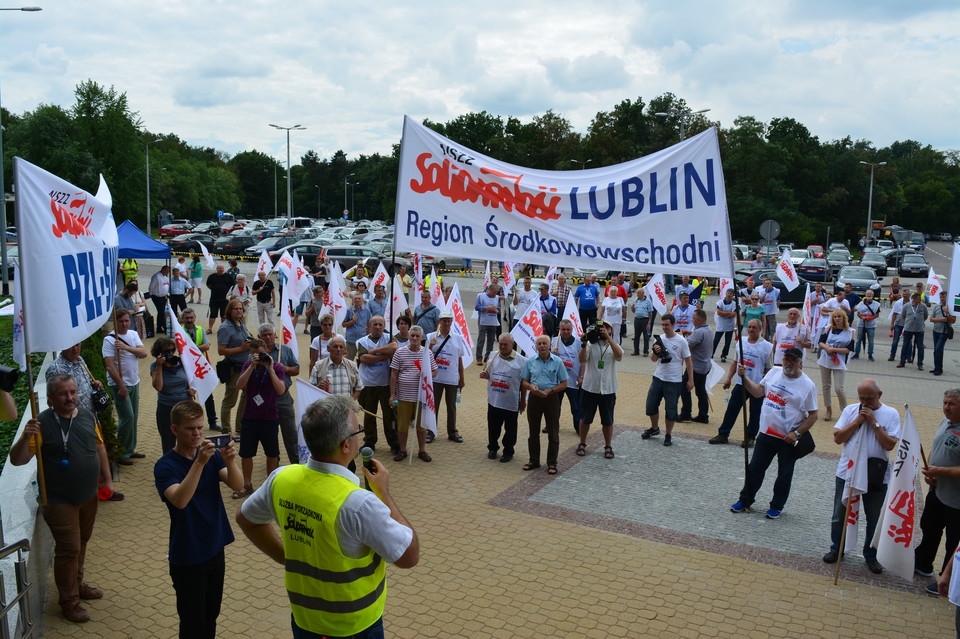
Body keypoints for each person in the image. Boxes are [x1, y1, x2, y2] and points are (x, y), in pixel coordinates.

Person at [236, 395, 419, 639]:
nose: (361, 436)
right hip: (355, 626)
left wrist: (286, 557)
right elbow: (409, 556)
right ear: (346, 445)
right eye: (358, 431)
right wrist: (384, 493)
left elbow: (246, 519)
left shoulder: (281, 478)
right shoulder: (358, 503)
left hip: (304, 620)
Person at [9, 375, 114, 622]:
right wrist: (26, 437)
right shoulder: (41, 423)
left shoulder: (87, 415)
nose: (70, 398)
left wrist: (107, 480)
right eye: (63, 394)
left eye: (73, 392)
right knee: (69, 549)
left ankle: (77, 585)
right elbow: (18, 460)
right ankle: (69, 602)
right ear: (50, 399)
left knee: (82, 542)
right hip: (58, 500)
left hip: (88, 495)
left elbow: (99, 447)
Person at [154, 400, 243, 639]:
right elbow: (180, 500)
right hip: (188, 554)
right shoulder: (165, 466)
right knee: (193, 623)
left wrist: (230, 461)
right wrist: (199, 463)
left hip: (215, 546)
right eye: (190, 429)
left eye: (200, 428)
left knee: (211, 616)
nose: (197, 434)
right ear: (174, 430)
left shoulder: (211, 456)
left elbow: (237, 484)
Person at [821, 379, 900, 575]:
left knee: (873, 517)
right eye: (862, 398)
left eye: (870, 399)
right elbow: (838, 438)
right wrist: (857, 422)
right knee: (839, 514)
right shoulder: (850, 411)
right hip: (848, 472)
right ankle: (837, 549)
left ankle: (871, 555)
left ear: (879, 395)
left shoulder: (891, 414)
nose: (865, 403)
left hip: (876, 475)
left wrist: (874, 422)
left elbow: (889, 445)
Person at [730, 347, 818, 519]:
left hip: (788, 438)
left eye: (793, 360)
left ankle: (777, 505)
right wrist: (744, 377)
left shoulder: (808, 386)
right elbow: (757, 392)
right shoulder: (774, 372)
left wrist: (797, 433)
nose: (789, 363)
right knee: (755, 468)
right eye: (786, 359)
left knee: (784, 473)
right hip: (766, 433)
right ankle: (745, 499)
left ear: (800, 363)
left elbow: (814, 415)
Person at [914, 389, 960, 595]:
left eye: (951, 404)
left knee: (954, 542)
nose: (946, 407)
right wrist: (929, 470)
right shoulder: (945, 423)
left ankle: (948, 580)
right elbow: (937, 445)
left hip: (956, 500)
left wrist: (939, 470)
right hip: (938, 491)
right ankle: (923, 563)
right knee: (930, 527)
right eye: (944, 403)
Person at [233, 338, 286, 499]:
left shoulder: (277, 367)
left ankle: (270, 486)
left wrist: (269, 369)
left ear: (267, 351)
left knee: (272, 453)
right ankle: (247, 485)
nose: (258, 357)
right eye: (254, 355)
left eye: (261, 354)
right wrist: (252, 366)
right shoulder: (247, 366)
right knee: (246, 453)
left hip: (269, 417)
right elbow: (239, 385)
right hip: (250, 416)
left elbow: (281, 390)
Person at [709, 319, 772, 446]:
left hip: (757, 385)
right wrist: (728, 378)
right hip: (740, 383)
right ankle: (723, 433)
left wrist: (767, 387)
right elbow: (735, 362)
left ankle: (750, 437)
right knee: (732, 409)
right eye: (749, 327)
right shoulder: (741, 342)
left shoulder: (767, 347)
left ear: (760, 329)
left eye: (754, 327)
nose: (751, 330)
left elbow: (769, 369)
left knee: (755, 412)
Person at [102, 309, 148, 464]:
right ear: (116, 322)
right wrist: (121, 385)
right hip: (120, 384)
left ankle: (130, 449)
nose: (124, 324)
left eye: (127, 321)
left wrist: (126, 347)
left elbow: (144, 353)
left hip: (134, 381)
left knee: (133, 417)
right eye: (121, 321)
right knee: (126, 417)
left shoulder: (133, 335)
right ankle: (120, 452)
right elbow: (109, 366)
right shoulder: (109, 340)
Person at [641, 314, 693, 447]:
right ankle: (654, 428)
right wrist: (655, 352)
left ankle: (668, 434)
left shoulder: (681, 341)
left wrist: (690, 380)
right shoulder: (659, 339)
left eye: (667, 325)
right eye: (662, 325)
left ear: (673, 325)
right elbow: (653, 360)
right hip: (658, 377)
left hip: (674, 380)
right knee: (651, 405)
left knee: (671, 409)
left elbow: (688, 361)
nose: (664, 327)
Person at [521, 335, 567, 475]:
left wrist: (552, 390)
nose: (542, 346)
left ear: (549, 345)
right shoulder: (530, 361)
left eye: (544, 343)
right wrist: (531, 387)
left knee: (553, 432)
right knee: (533, 432)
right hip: (535, 398)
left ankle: (552, 463)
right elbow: (524, 381)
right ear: (535, 346)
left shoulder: (557, 361)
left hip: (551, 398)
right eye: (539, 343)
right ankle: (534, 460)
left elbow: (564, 383)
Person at [577, 320, 624, 457]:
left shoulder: (614, 345)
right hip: (590, 388)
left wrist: (609, 338)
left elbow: (619, 356)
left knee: (608, 420)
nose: (603, 329)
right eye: (601, 327)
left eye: (607, 327)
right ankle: (582, 443)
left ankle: (608, 446)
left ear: (611, 331)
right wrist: (584, 343)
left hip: (608, 389)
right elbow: (581, 359)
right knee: (585, 419)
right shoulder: (591, 343)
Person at [389, 326, 436, 463]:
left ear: (422, 338)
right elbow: (393, 374)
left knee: (421, 426)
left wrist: (426, 374)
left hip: (421, 397)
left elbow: (434, 372)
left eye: (417, 336)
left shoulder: (427, 353)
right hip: (403, 396)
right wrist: (393, 395)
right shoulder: (400, 352)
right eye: (412, 336)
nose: (415, 338)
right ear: (408, 337)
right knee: (402, 426)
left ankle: (422, 450)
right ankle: (403, 450)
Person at [357, 316, 399, 456]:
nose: (378, 327)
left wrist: (373, 351)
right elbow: (364, 359)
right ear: (369, 326)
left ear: (384, 325)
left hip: (386, 384)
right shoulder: (362, 341)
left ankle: (394, 442)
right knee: (369, 415)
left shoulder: (389, 338)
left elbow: (394, 347)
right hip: (367, 384)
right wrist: (385, 355)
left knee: (390, 415)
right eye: (375, 324)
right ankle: (369, 441)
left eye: (380, 324)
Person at [481, 334, 527, 463]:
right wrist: (484, 374)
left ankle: (508, 451)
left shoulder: (522, 361)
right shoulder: (493, 356)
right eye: (500, 344)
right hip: (494, 400)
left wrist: (523, 401)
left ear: (512, 345)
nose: (502, 347)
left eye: (505, 344)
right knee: (493, 426)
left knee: (510, 429)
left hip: (511, 402)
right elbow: (487, 373)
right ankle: (493, 448)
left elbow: (524, 383)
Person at [260, 323, 301, 465]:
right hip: (265, 400)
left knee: (290, 433)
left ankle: (296, 463)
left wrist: (285, 368)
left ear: (275, 335)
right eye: (265, 335)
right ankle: (273, 462)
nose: (268, 337)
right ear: (260, 337)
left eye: (270, 334)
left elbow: (296, 370)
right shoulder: (256, 354)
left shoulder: (285, 351)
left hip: (283, 399)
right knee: (269, 435)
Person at [427, 311, 466, 444]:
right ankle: (431, 432)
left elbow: (459, 359)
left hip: (452, 378)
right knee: (434, 406)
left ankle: (452, 432)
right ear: (439, 322)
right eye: (444, 320)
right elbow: (425, 357)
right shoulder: (431, 337)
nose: (447, 323)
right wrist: (430, 346)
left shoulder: (458, 338)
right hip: (435, 378)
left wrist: (462, 378)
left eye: (449, 320)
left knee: (451, 406)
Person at [151, 337, 195, 453]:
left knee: (188, 438)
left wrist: (192, 389)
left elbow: (190, 381)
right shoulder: (154, 366)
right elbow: (158, 387)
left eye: (171, 350)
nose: (170, 354)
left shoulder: (182, 362)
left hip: (185, 406)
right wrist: (160, 366)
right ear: (158, 353)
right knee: (168, 441)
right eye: (166, 351)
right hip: (166, 408)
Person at [217, 299, 253, 435]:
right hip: (234, 369)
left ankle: (240, 426)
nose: (239, 311)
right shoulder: (225, 327)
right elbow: (221, 351)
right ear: (229, 311)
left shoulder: (241, 323)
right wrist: (241, 348)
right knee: (230, 401)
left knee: (247, 396)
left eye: (241, 309)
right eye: (236, 309)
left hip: (246, 367)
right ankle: (226, 430)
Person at [181, 308, 220, 431]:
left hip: (201, 367)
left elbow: (207, 346)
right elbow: (181, 349)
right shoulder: (180, 332)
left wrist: (191, 349)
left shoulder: (200, 330)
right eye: (186, 318)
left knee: (208, 395)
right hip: (186, 368)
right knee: (188, 395)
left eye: (191, 318)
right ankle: (189, 422)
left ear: (195, 318)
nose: (189, 320)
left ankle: (212, 422)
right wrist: (198, 349)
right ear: (182, 319)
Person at [818, 309, 854, 422]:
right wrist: (827, 348)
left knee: (839, 388)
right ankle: (828, 409)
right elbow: (820, 342)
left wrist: (834, 349)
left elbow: (849, 349)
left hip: (839, 361)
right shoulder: (828, 328)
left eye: (839, 316)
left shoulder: (850, 331)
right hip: (825, 360)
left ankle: (845, 411)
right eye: (835, 317)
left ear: (844, 318)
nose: (837, 319)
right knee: (826, 386)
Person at [678, 309, 713, 424]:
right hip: (705, 366)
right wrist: (690, 333)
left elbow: (686, 346)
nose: (692, 320)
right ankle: (703, 415)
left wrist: (680, 336)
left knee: (685, 388)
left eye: (693, 318)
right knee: (701, 391)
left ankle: (686, 413)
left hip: (696, 367)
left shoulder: (698, 332)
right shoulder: (708, 329)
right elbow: (696, 339)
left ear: (698, 320)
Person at [551, 319, 582, 434]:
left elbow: (583, 362)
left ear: (572, 330)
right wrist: (551, 355)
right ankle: (552, 425)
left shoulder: (578, 342)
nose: (565, 332)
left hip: (573, 381)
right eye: (563, 329)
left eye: (568, 329)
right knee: (555, 405)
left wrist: (581, 376)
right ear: (560, 330)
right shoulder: (554, 341)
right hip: (557, 381)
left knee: (576, 406)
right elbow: (547, 361)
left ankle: (578, 426)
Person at [309, 336, 363, 400]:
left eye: (341, 347)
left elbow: (359, 387)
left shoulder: (352, 366)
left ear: (345, 350)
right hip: (326, 407)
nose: (338, 349)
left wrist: (350, 403)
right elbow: (310, 389)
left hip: (346, 407)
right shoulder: (318, 366)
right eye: (335, 346)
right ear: (328, 348)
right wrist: (318, 387)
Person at [898, 291, 928, 370]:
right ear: (914, 299)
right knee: (905, 345)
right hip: (908, 329)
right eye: (918, 299)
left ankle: (920, 364)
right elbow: (903, 316)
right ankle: (902, 361)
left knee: (920, 347)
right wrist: (909, 322)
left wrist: (920, 322)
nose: (920, 300)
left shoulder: (923, 306)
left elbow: (926, 316)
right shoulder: (907, 306)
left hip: (919, 329)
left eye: (920, 299)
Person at [475, 282, 502, 364]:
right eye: (494, 292)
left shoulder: (496, 298)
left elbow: (498, 308)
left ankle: (488, 356)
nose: (495, 294)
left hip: (493, 321)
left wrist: (497, 309)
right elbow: (477, 307)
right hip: (483, 320)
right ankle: (479, 357)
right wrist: (486, 308)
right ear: (489, 290)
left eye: (496, 292)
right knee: (481, 339)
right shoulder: (481, 296)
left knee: (491, 340)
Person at [931, 290, 956, 376]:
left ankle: (938, 369)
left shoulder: (950, 308)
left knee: (938, 350)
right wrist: (940, 319)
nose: (942, 299)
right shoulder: (937, 306)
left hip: (944, 332)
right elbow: (931, 319)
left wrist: (948, 314)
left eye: (944, 297)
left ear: (947, 297)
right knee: (936, 351)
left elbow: (953, 321)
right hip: (935, 331)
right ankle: (937, 368)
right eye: (941, 297)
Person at [852, 290, 881, 361]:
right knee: (858, 339)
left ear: (873, 295)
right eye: (868, 294)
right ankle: (856, 353)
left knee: (871, 340)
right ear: (865, 294)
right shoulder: (861, 304)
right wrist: (862, 317)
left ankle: (870, 354)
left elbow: (877, 314)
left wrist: (871, 318)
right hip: (861, 324)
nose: (869, 295)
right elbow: (858, 313)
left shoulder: (876, 304)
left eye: (870, 294)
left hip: (871, 325)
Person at [343, 293, 373, 360]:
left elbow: (369, 324)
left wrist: (368, 335)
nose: (357, 300)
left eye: (359, 298)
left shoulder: (367, 310)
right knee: (349, 359)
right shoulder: (349, 310)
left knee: (363, 359)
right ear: (353, 300)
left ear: (362, 300)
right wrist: (352, 321)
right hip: (351, 340)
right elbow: (343, 324)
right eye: (355, 298)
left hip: (362, 340)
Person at [206, 264, 234, 334]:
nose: (221, 270)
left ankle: (223, 329)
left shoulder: (228, 277)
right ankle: (210, 329)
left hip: (225, 300)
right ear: (217, 269)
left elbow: (232, 286)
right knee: (212, 314)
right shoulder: (212, 276)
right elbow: (208, 285)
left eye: (222, 268)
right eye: (219, 268)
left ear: (223, 269)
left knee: (224, 315)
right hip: (214, 299)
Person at [887, 289, 911, 361]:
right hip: (898, 323)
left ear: (909, 295)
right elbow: (894, 313)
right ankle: (892, 355)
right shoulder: (898, 302)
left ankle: (909, 356)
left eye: (906, 294)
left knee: (908, 341)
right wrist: (892, 324)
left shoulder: (912, 303)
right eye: (903, 294)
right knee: (895, 341)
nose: (905, 296)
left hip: (908, 325)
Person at [631, 288, 655, 357]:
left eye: (638, 293)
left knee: (646, 336)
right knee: (636, 336)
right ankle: (636, 350)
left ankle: (645, 351)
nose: (637, 294)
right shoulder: (635, 300)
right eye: (637, 293)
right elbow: (633, 311)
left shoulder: (648, 301)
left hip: (645, 320)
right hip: (637, 319)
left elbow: (650, 313)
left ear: (642, 293)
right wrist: (632, 307)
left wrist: (649, 323)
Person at [149, 265, 171, 334]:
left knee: (160, 312)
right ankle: (165, 327)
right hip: (157, 297)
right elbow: (151, 287)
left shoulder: (166, 277)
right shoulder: (156, 276)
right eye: (167, 271)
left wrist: (167, 293)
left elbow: (166, 286)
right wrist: (151, 294)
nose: (167, 273)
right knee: (162, 312)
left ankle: (159, 328)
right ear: (163, 270)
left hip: (164, 296)